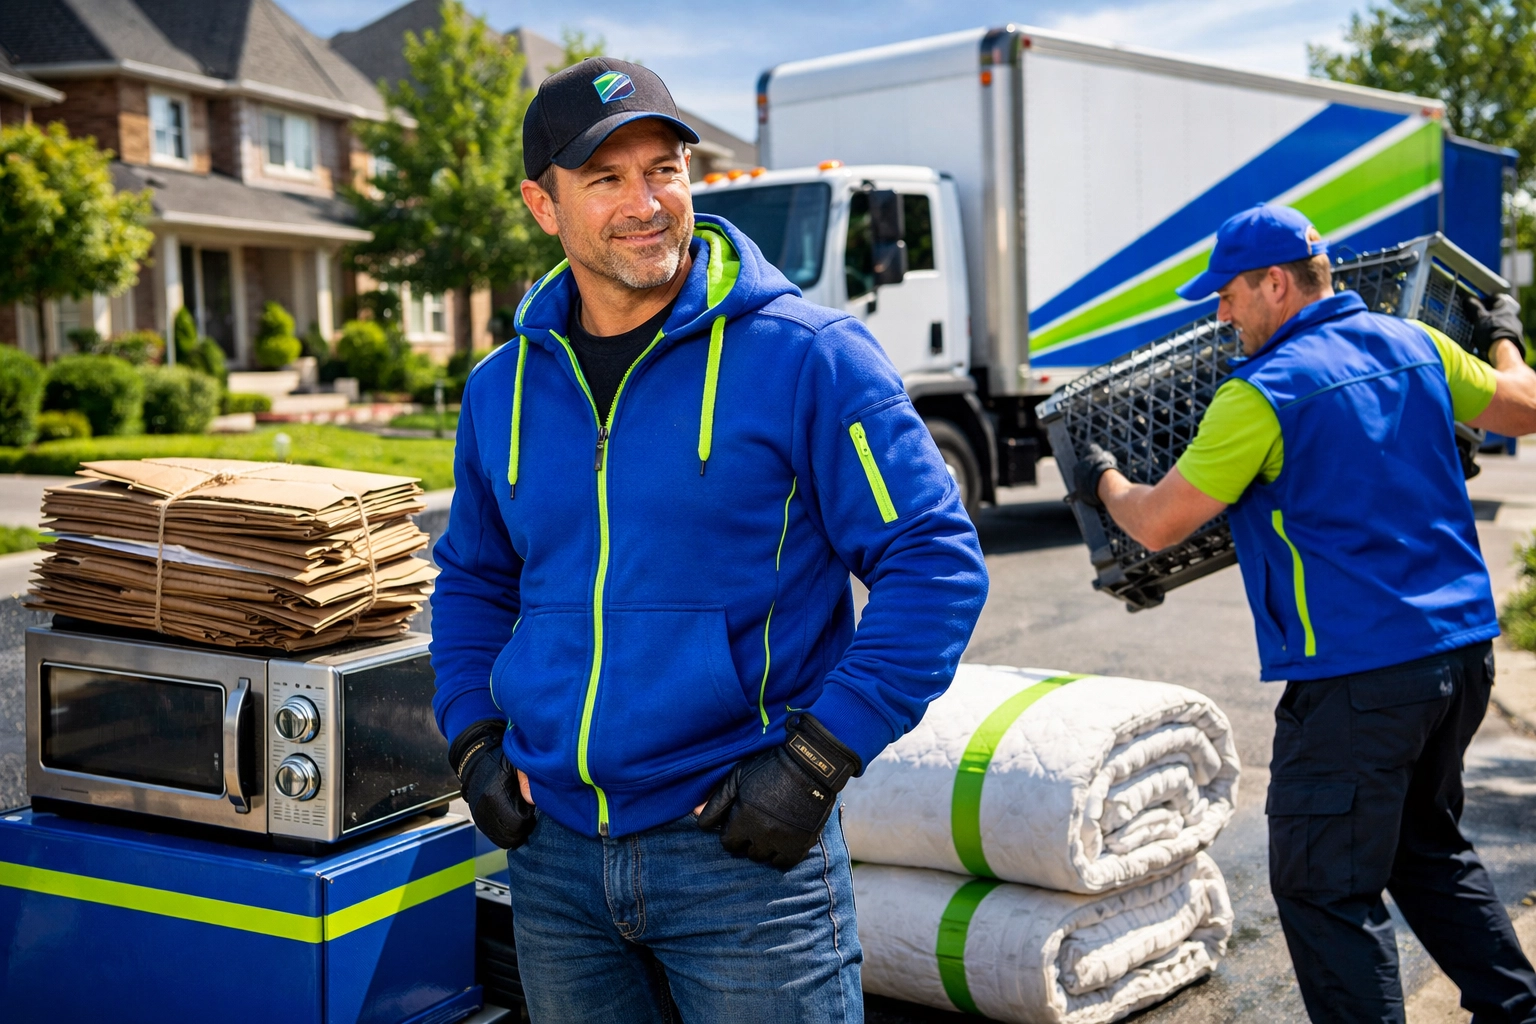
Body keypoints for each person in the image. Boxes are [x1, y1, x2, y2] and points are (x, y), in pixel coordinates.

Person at [429, 58, 988, 1022]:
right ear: (541, 205)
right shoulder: (501, 390)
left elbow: (932, 563)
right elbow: (476, 582)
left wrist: (818, 759)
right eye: (606, 178)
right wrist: (474, 738)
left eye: (665, 169)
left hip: (740, 860)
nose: (646, 204)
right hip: (555, 868)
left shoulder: (809, 357)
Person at [1071, 203, 1536, 1023]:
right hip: (1460, 657)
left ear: (1275, 283)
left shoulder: (1261, 394)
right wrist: (1505, 333)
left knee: (1323, 888)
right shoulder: (1415, 344)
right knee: (1424, 851)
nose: (1219, 312)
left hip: (1358, 680)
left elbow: (1157, 523)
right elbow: (1523, 406)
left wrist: (1101, 477)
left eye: (1227, 294)